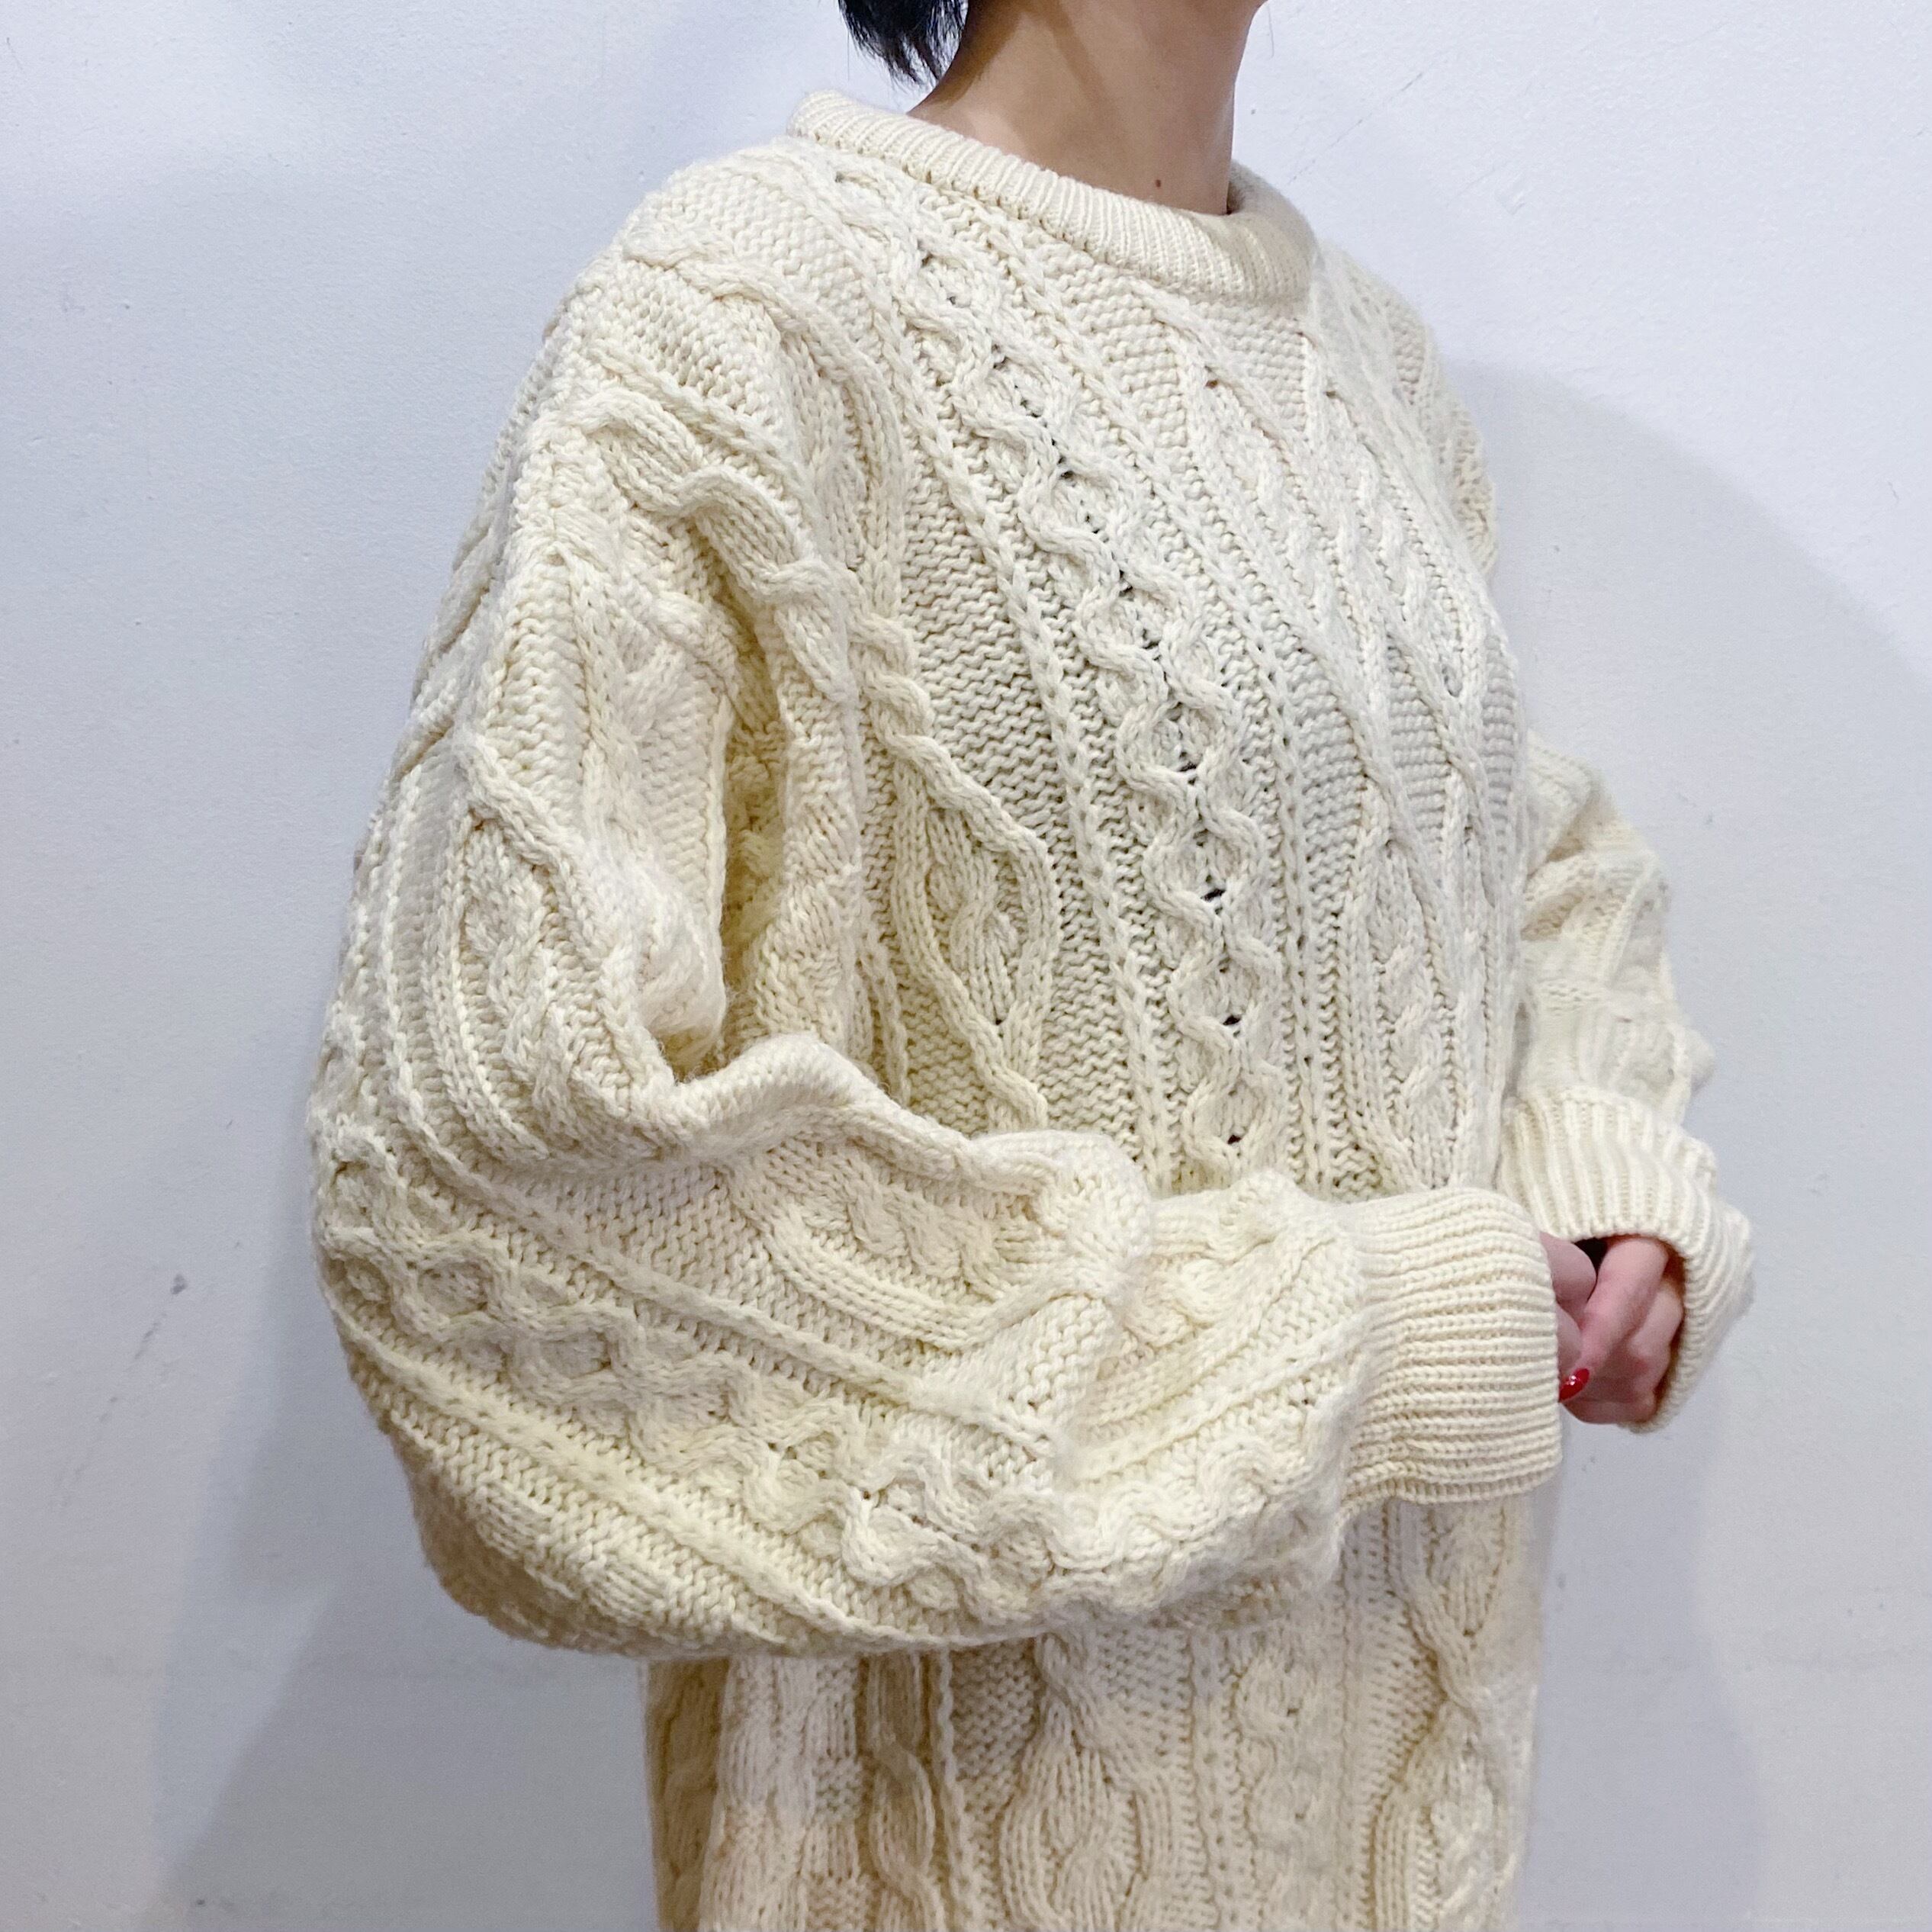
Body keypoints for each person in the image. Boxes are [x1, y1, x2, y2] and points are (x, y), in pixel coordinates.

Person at [303, 3, 1757, 1927]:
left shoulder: (1367, 360)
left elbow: (1517, 843)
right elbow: (487, 1193)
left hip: (1401, 1827)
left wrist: (1600, 1168)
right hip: (970, 1852)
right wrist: (1358, 1342)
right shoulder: (743, 314)